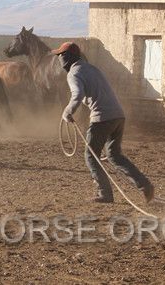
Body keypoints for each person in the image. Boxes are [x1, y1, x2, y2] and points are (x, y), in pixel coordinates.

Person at [54, 42, 154, 204]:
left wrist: (68, 112)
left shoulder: (73, 73)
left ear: (65, 58)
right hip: (118, 116)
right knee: (114, 155)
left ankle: (105, 194)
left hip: (102, 118)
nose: (59, 59)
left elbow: (77, 94)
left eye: (60, 56)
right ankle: (145, 185)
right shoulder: (92, 68)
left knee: (91, 156)